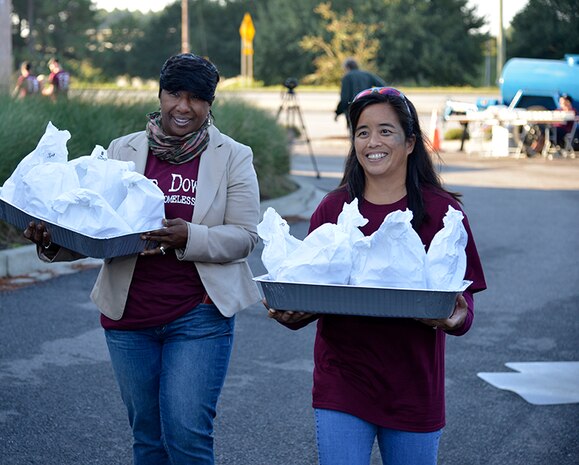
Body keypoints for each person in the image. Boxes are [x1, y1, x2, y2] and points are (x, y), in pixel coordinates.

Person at [24, 53, 261, 465]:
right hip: (128, 319)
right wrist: (51, 242)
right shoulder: (123, 149)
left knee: (187, 437)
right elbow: (94, 228)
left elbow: (244, 238)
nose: (183, 107)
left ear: (210, 103)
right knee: (148, 439)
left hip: (199, 315)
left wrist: (190, 236)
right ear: (160, 93)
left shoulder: (233, 156)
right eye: (174, 94)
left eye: (196, 98)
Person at [267, 87, 487, 465]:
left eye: (386, 130)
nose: (373, 142)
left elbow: (463, 309)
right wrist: (292, 313)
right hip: (343, 382)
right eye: (363, 131)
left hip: (413, 387)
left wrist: (455, 319)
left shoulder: (442, 212)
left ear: (411, 142)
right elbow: (312, 284)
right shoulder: (334, 207)